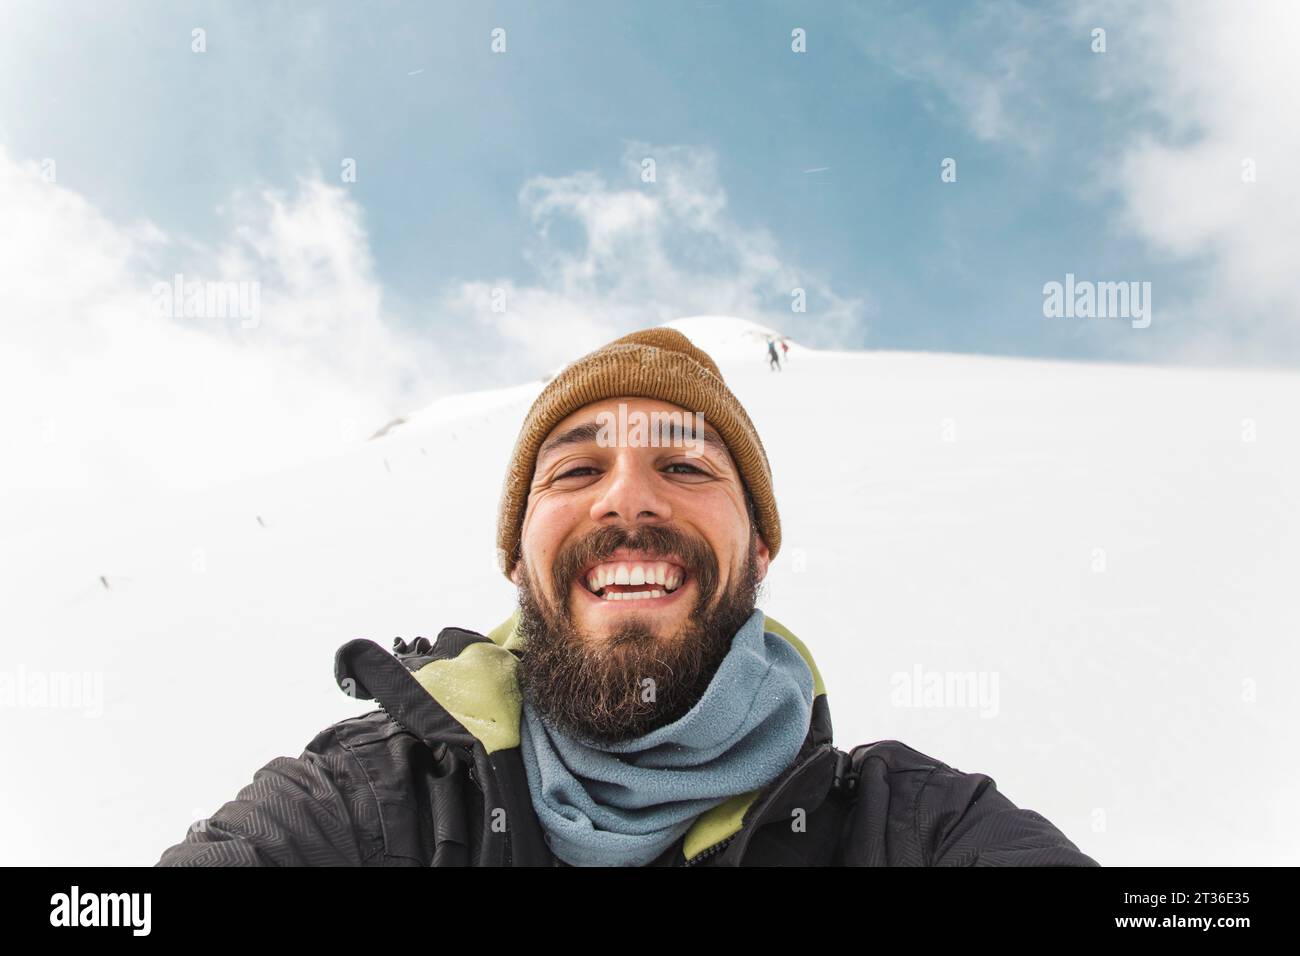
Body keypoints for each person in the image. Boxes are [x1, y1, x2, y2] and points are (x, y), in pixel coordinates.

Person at [155, 327, 1098, 867]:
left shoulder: (908, 827)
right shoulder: (372, 799)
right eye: (575, 472)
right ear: (517, 561)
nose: (628, 497)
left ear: (760, 549)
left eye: (685, 465)